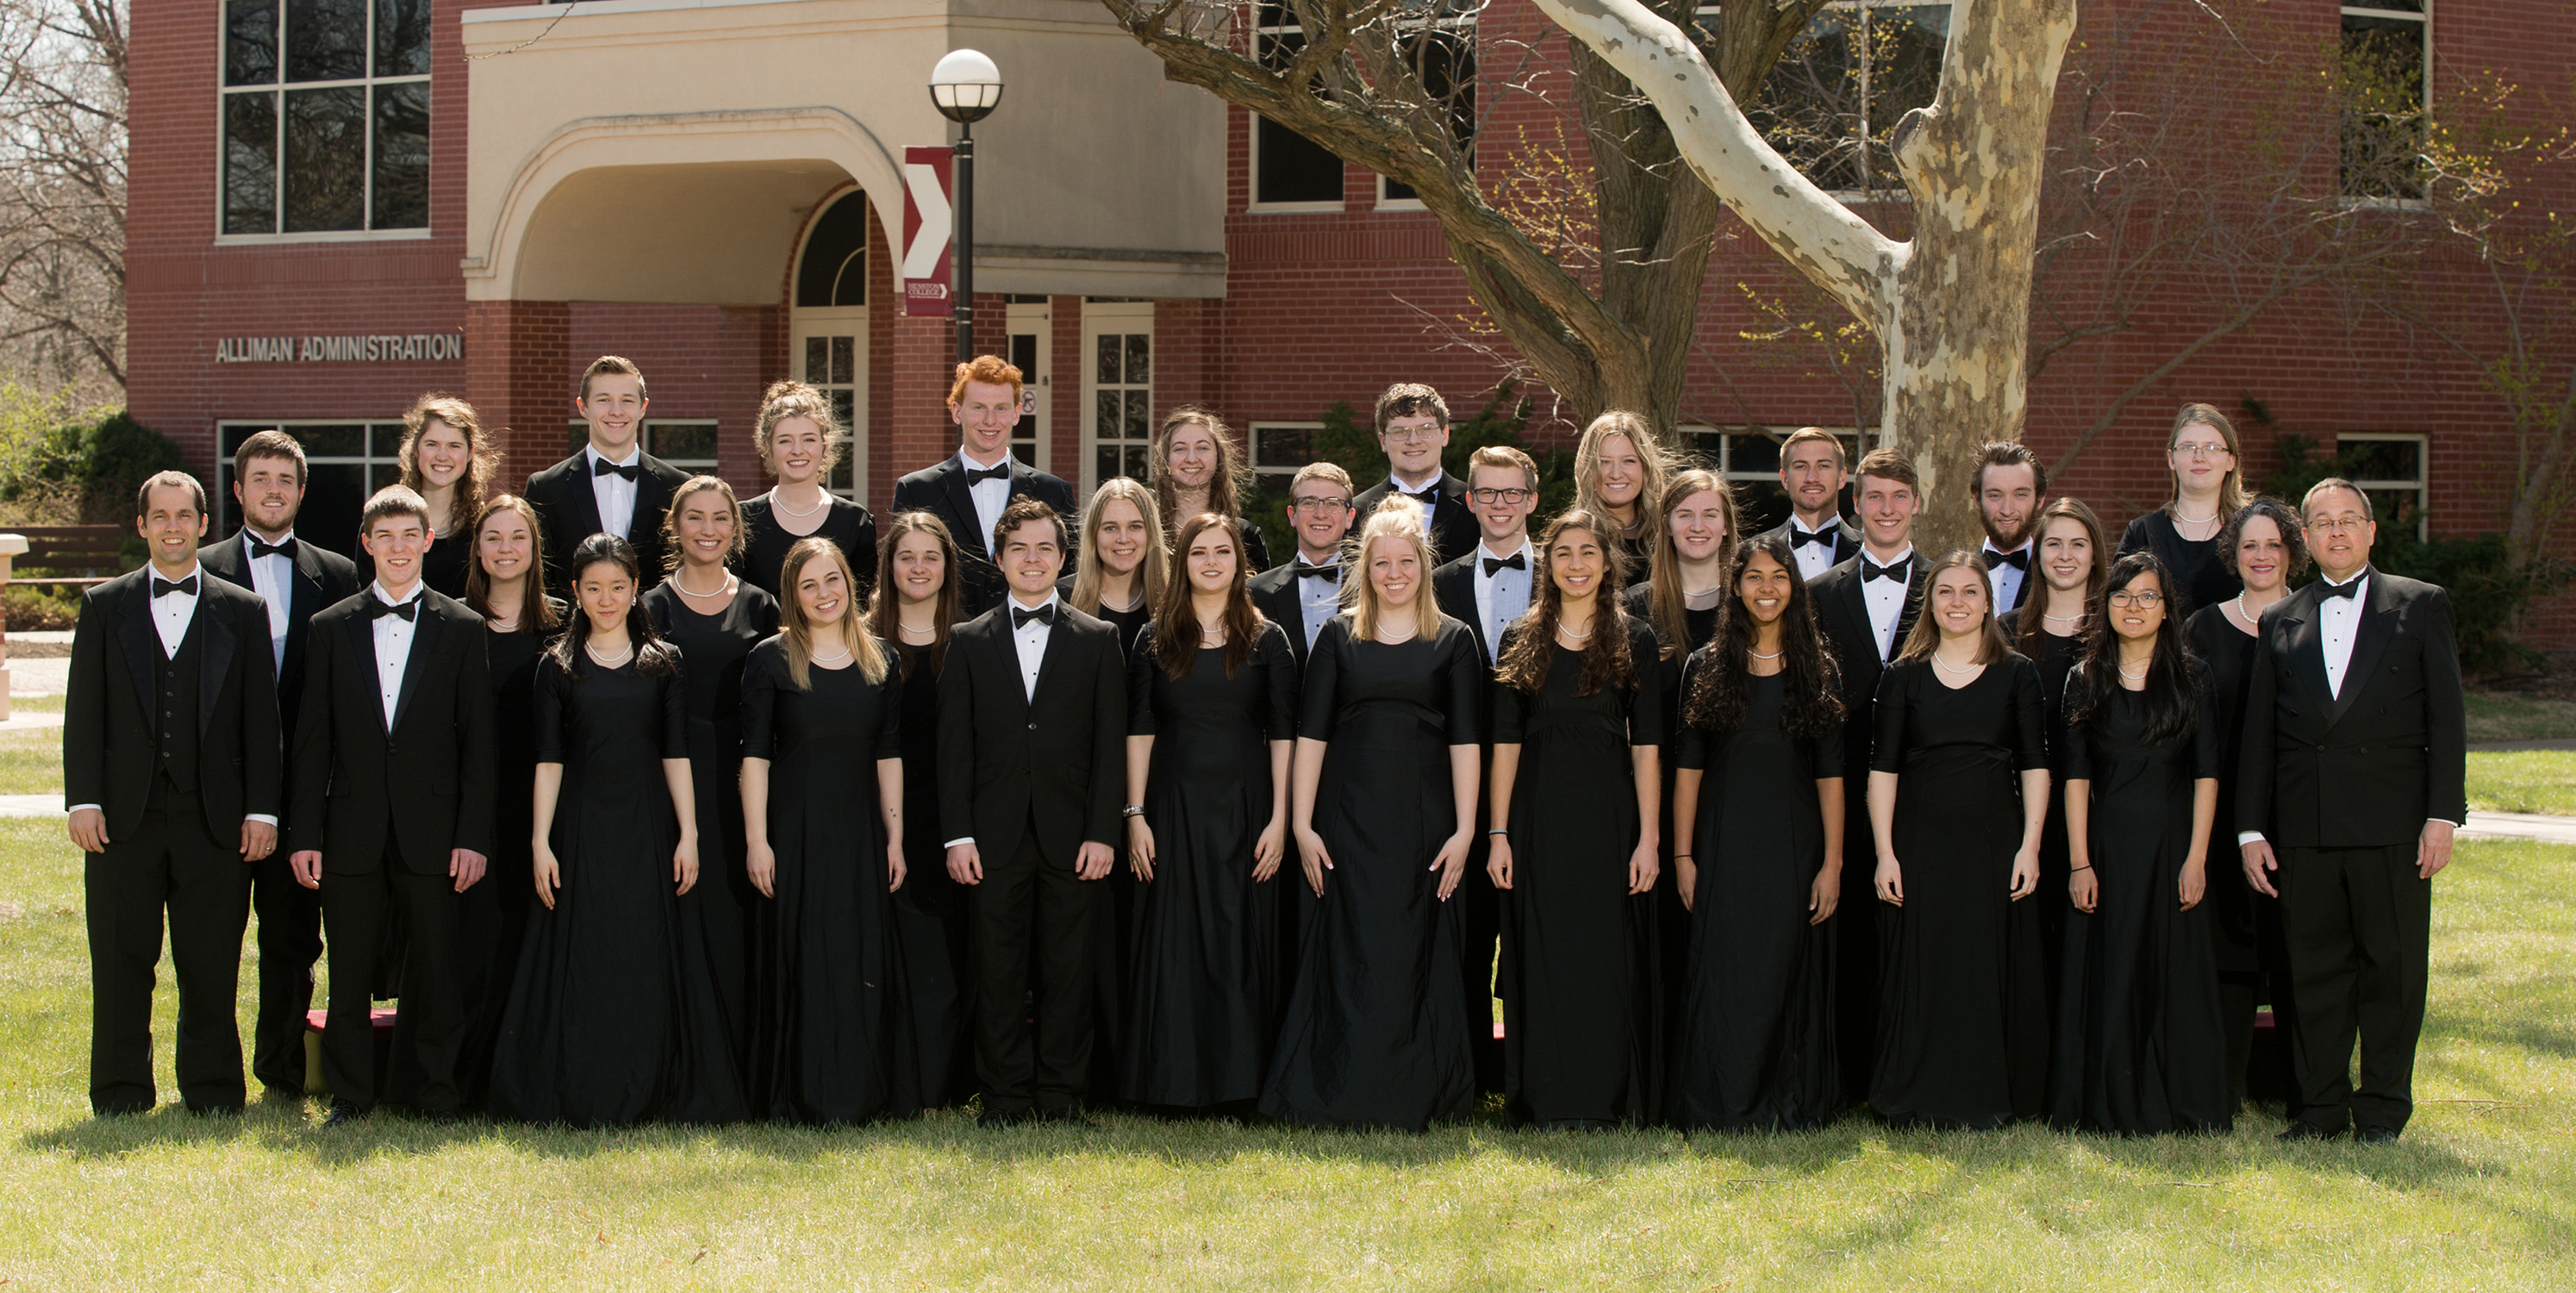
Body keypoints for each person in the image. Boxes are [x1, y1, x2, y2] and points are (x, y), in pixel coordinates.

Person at [490, 534, 747, 1127]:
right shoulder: (555, 668)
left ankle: (654, 1085)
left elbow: (676, 753)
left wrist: (689, 834)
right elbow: (548, 761)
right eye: (593, 589)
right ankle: (581, 1087)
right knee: (586, 953)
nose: (606, 599)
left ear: (636, 590)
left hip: (647, 828)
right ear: (575, 595)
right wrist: (539, 841)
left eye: (617, 587)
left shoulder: (665, 662)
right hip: (581, 830)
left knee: (645, 952)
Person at [2238, 478, 2466, 1144]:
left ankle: (2383, 1110)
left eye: (2348, 520)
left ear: (2370, 531)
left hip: (2393, 826)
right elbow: (2260, 736)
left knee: (2391, 972)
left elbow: (2445, 719)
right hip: (2303, 830)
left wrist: (2441, 815)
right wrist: (2251, 828)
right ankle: (2318, 1109)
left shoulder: (2420, 606)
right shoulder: (2281, 619)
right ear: (2304, 540)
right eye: (2321, 523)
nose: (2335, 532)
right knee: (2312, 973)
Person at [1261, 497, 1482, 1132]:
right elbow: (1312, 735)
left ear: (1422, 564)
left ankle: (1418, 1091)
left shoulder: (1454, 639)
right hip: (1345, 819)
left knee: (1413, 948)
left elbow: (1467, 741)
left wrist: (1466, 829)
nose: (1392, 573)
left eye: (1404, 561)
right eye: (1380, 563)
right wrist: (1302, 823)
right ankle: (1335, 1086)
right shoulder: (1337, 635)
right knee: (1349, 944)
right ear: (1366, 569)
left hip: (1426, 821)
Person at [66, 471, 282, 1116]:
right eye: (159, 516)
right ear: (141, 526)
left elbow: (259, 719)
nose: (171, 527)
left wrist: (261, 809)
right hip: (121, 820)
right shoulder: (105, 606)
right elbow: (85, 714)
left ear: (202, 523)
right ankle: (121, 1092)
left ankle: (213, 1092)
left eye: (183, 516)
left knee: (210, 961)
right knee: (121, 960)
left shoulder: (241, 610)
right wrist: (84, 800)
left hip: (213, 818)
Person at [288, 485, 496, 1126]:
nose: (399, 547)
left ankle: (438, 1092)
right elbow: (311, 740)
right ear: (367, 542)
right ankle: (351, 1096)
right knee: (348, 967)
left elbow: (478, 746)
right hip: (350, 828)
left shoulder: (462, 628)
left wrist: (472, 836)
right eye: (386, 536)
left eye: (411, 535)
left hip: (433, 832)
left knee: (435, 969)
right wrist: (304, 833)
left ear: (428, 541)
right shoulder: (330, 628)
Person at [938, 498, 1129, 1126]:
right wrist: (957, 835)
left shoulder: (1099, 641)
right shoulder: (966, 642)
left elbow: (1109, 747)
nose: (1032, 558)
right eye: (1018, 548)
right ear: (998, 560)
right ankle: (1003, 1097)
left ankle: (1060, 1096)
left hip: (1073, 834)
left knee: (1067, 970)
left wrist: (1104, 832)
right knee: (996, 970)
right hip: (990, 836)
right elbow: (953, 750)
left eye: (1045, 547)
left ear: (1064, 558)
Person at [194, 428, 359, 1102]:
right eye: (260, 479)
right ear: (238, 490)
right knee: (213, 943)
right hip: (219, 793)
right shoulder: (199, 569)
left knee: (293, 944)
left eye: (285, 480)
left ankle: (283, 1073)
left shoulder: (339, 573)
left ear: (300, 491)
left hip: (304, 798)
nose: (272, 490)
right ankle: (211, 1080)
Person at [1486, 510, 1664, 1127]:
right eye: (1564, 553)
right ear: (1548, 563)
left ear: (1607, 563)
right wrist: (1499, 833)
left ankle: (1608, 1098)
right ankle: (1543, 1097)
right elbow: (1504, 742)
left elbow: (1647, 746)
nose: (1577, 564)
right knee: (1542, 950)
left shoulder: (1634, 638)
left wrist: (1649, 838)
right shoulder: (1519, 636)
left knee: (1604, 954)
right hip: (1537, 817)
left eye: (1588, 552)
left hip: (1610, 819)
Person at [1119, 513, 1300, 1111]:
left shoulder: (1268, 639)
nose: (1212, 561)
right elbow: (1140, 728)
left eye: (1223, 552)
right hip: (1171, 808)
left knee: (1238, 936)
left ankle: (1240, 1085)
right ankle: (1170, 1083)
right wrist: (1135, 813)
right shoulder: (1153, 638)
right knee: (1174, 940)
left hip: (1248, 811)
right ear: (1182, 562)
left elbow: (1282, 734)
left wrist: (1279, 817)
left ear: (1239, 563)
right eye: (1200, 552)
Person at [1867, 551, 2050, 1128]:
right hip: (1918, 843)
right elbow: (1882, 770)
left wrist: (2031, 847)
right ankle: (1915, 1093)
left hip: (1995, 840)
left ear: (1987, 602)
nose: (1956, 602)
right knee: (1924, 963)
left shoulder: (2017, 673)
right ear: (1930, 602)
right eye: (1944, 591)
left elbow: (2035, 765)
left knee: (1984, 962)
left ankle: (1988, 1095)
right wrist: (1884, 854)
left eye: (1969, 592)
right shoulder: (1901, 676)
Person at [2049, 552, 2231, 1134]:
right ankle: (2105, 1101)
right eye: (2123, 596)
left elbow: (2207, 774)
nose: (2134, 606)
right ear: (2105, 606)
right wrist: (2078, 862)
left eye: (2148, 596)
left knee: (2170, 968)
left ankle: (2175, 1101)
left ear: (2166, 610)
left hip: (2173, 844)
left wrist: (2197, 858)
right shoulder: (2084, 679)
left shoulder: (2193, 677)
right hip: (2105, 847)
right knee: (2111, 967)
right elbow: (2074, 778)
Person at [1668, 534, 1846, 1131]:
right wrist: (1684, 854)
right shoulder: (1705, 665)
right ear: (1735, 588)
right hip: (1721, 842)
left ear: (1794, 587)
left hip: (1794, 846)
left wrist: (1833, 864)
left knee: (1784, 970)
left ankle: (1784, 1102)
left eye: (1777, 576)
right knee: (1726, 972)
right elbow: (1688, 770)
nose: (1765, 588)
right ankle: (1721, 1100)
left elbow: (1830, 776)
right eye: (1752, 577)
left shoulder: (1817, 669)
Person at [741, 537, 915, 1124]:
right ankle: (800, 1095)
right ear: (792, 593)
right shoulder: (770, 658)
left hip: (862, 831)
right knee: (802, 955)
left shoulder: (883, 660)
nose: (823, 594)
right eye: (809, 584)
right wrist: (757, 840)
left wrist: (894, 838)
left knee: (857, 954)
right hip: (793, 833)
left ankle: (862, 1094)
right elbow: (756, 758)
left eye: (832, 580)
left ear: (849, 583)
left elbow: (889, 753)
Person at [642, 476, 783, 1077]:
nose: (707, 529)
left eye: (719, 518)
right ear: (675, 527)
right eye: (694, 517)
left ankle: (737, 1064)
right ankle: (678, 1061)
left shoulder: (761, 605)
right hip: (666, 770)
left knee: (733, 914)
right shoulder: (648, 606)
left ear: (735, 527)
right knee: (676, 908)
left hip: (743, 776)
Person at [1805, 448, 1925, 1104]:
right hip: (1843, 784)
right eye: (1874, 497)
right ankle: (1846, 1075)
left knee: (1913, 930)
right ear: (1857, 503)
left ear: (1915, 504)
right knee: (1847, 932)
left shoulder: (1949, 587)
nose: (1884, 509)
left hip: (1927, 786)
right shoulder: (1819, 594)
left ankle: (1908, 1070)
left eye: (1897, 498)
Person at [2185, 497, 2306, 1110]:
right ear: (2232, 554)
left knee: (2293, 953)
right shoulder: (2202, 628)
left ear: (2291, 551)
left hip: (2297, 814)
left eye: (2273, 545)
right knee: (2226, 954)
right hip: (2219, 810)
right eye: (2249, 545)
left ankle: (2296, 1091)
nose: (2261, 556)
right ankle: (2224, 1090)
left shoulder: (2315, 622)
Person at [1428, 444, 1541, 1095]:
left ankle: (1532, 1072)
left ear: (1531, 500)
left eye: (1511, 493)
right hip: (1458, 784)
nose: (1499, 504)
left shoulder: (1567, 573)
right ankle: (1469, 1074)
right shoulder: (1439, 582)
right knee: (1465, 933)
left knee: (1535, 931)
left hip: (1544, 779)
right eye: (1486, 493)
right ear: (1468, 501)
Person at [1621, 466, 1739, 1076]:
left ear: (1726, 527)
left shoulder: (1751, 602)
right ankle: (1660, 1069)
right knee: (1658, 930)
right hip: (1652, 791)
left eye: (1709, 515)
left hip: (1732, 794)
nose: (1697, 526)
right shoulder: (1636, 608)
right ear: (1664, 524)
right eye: (1685, 514)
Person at [454, 494, 565, 1107]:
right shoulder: (452, 622)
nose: (504, 549)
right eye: (492, 538)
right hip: (473, 807)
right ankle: (467, 1080)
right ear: (477, 549)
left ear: (533, 548)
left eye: (516, 537)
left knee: (533, 937)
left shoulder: (564, 625)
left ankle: (527, 1079)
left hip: (546, 802)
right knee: (476, 943)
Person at [868, 511, 976, 1107]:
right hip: (879, 818)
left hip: (953, 821)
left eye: (929, 557)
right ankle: (890, 1083)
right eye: (905, 556)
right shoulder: (861, 640)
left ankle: (942, 1087)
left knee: (947, 957)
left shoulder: (972, 640)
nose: (917, 568)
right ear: (888, 565)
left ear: (947, 567)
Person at [1998, 497, 2109, 1008]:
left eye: (2078, 544)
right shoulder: (2004, 632)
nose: (2066, 556)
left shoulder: (2118, 631)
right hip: (2020, 814)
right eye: (2054, 544)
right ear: (2037, 554)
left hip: (2100, 814)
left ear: (2095, 555)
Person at [891, 355, 1078, 617]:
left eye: (1001, 408)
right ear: (957, 412)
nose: (990, 420)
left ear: (1016, 413)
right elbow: (899, 574)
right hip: (941, 639)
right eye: (978, 407)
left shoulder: (1053, 492)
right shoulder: (917, 489)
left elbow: (1069, 577)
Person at [524, 356, 690, 600]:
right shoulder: (546, 488)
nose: (616, 411)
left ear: (642, 407)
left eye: (627, 400)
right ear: (583, 407)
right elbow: (538, 580)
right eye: (604, 400)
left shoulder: (678, 487)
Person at [738, 380, 878, 603]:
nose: (797, 450)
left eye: (808, 439)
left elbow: (861, 607)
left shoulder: (854, 521)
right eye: (785, 441)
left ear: (825, 446)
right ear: (768, 447)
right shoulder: (744, 519)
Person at [2119, 403, 2250, 617]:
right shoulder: (2143, 533)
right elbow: (2121, 608)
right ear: (2171, 459)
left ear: (2231, 461)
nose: (2199, 457)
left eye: (2212, 448)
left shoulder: (2250, 533)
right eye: (2188, 447)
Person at [386, 394, 499, 598]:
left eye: (454, 446)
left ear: (470, 453)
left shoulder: (486, 528)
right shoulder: (385, 523)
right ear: (415, 450)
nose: (442, 456)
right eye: (432, 444)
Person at [1247, 461, 1357, 669]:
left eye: (1333, 503)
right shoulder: (1254, 593)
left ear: (1349, 517)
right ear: (1292, 515)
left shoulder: (1373, 589)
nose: (1320, 513)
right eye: (1309, 502)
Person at [1350, 382, 1476, 561]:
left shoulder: (1475, 508)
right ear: (1383, 441)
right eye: (1401, 432)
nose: (1413, 440)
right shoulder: (1356, 513)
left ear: (1445, 434)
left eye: (1426, 430)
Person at [1151, 407, 1271, 572]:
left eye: (1202, 448)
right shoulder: (1147, 532)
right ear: (1166, 460)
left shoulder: (1246, 536)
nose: (1192, 459)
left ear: (1218, 457)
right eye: (1180, 448)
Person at [1061, 475, 1167, 659]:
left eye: (1135, 527)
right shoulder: (1060, 600)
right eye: (1110, 528)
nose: (1123, 538)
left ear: (1151, 532)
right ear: (1094, 535)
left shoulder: (1174, 601)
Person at [1572, 410, 1670, 574]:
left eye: (1629, 461)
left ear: (1645, 467)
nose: (1616, 474)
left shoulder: (1669, 534)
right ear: (1588, 469)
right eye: (1604, 462)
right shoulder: (1572, 539)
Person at [1756, 428, 1862, 578]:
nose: (1812, 478)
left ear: (1842, 477)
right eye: (1801, 466)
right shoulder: (1753, 552)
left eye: (1823, 466)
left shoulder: (1869, 552)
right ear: (1785, 479)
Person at [1971, 440, 2048, 615]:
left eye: (2020, 495)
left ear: (2039, 499)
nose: (2007, 510)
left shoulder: (2054, 576)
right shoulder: (1956, 575)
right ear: (1977, 499)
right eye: (1995, 495)